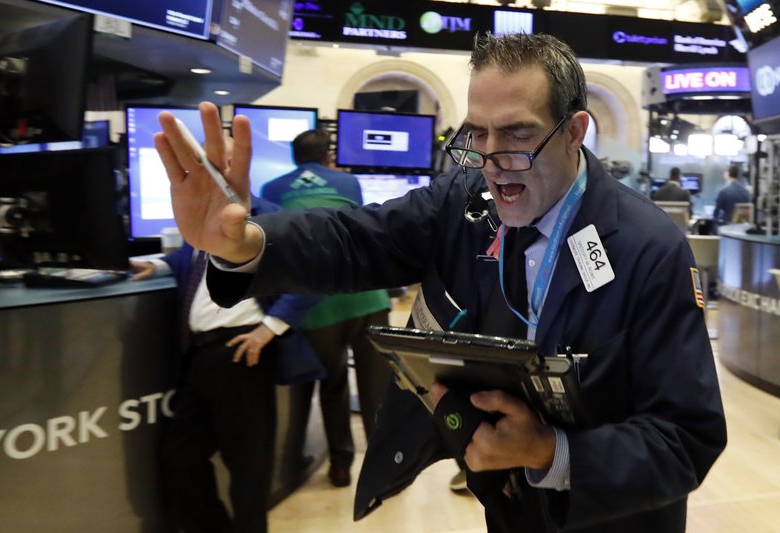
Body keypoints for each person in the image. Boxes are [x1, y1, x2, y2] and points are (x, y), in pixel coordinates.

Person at [153, 32, 726, 533]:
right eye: (478, 135)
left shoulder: (649, 250)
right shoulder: (465, 199)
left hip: (605, 518)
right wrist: (245, 244)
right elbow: (357, 240)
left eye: (519, 135)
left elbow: (686, 437)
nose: (494, 162)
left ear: (576, 131)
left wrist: (553, 452)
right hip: (504, 503)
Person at [129, 194, 322, 533]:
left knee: (248, 467)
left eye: (229, 162)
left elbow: (316, 273)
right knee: (180, 455)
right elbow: (192, 261)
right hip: (199, 354)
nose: (220, 170)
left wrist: (270, 327)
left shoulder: (269, 218)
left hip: (242, 350)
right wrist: (159, 264)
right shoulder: (205, 218)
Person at [261, 129, 393, 487]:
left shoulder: (271, 190)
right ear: (328, 156)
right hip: (367, 295)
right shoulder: (348, 183)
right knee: (375, 385)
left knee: (332, 386)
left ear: (293, 157)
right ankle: (383, 468)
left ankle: (340, 466)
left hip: (313, 305)